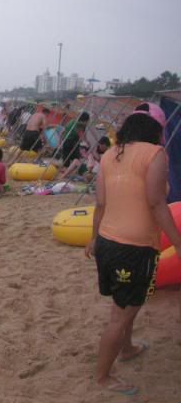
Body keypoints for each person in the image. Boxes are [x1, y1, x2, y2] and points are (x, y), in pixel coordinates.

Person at [84, 103, 181, 396]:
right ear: (156, 130)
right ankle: (102, 377)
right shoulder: (155, 155)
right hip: (135, 247)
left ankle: (126, 349)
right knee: (121, 314)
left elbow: (100, 202)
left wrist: (92, 238)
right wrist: (178, 243)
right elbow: (156, 203)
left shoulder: (111, 154)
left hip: (107, 241)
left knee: (125, 303)